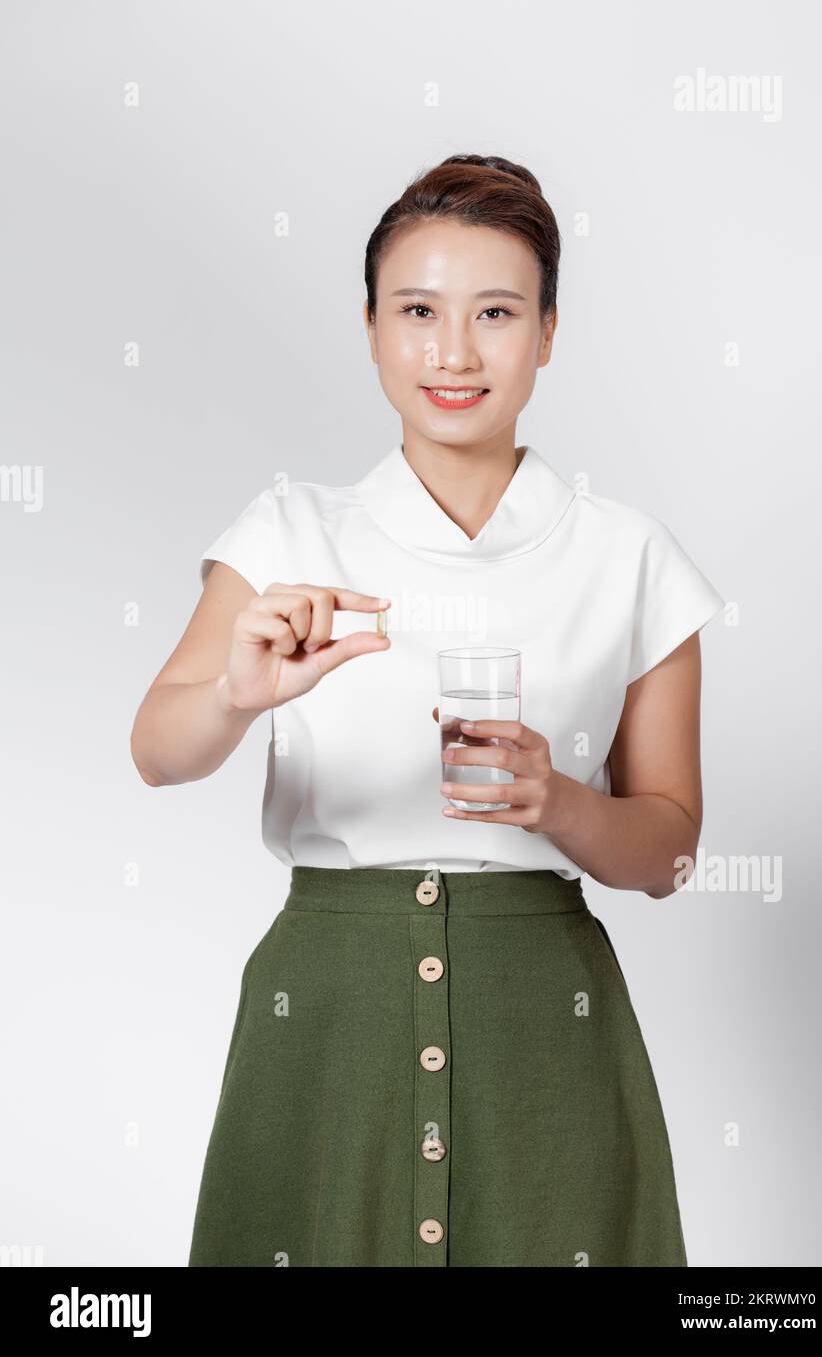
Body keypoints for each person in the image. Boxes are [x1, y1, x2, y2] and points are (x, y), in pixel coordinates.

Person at [130, 153, 726, 1268]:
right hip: (325, 1019)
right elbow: (156, 752)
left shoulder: (630, 557)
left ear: (547, 332)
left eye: (495, 313)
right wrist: (234, 693)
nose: (453, 353)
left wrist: (554, 802)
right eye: (416, 311)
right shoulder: (288, 531)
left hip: (543, 1026)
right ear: (369, 329)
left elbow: (669, 853)